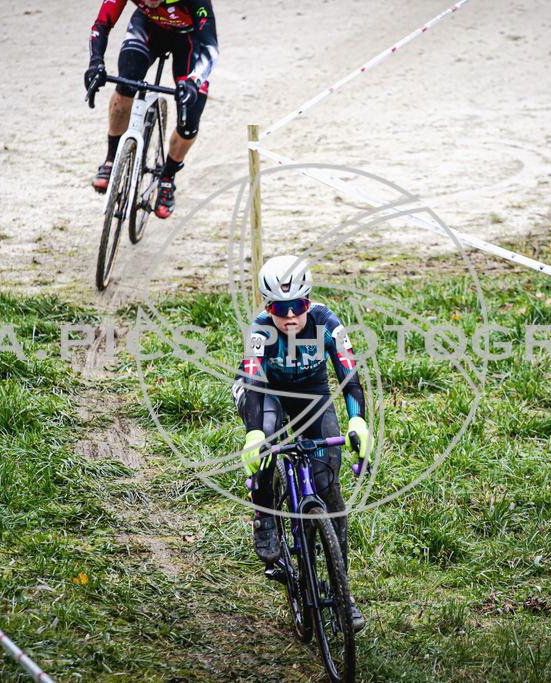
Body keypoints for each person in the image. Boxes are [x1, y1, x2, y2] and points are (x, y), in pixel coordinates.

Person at [232, 255, 374, 632]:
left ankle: (342, 595)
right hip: (263, 392)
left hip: (312, 394)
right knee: (267, 437)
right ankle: (265, 515)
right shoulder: (260, 331)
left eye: (298, 305)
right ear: (268, 307)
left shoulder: (327, 323)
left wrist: (358, 420)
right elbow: (254, 384)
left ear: (309, 300)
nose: (291, 316)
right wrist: (255, 434)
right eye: (281, 308)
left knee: (328, 487)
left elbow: (350, 376)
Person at [85, 0, 218, 219]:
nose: (149, 1)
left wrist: (193, 82)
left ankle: (167, 177)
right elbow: (101, 24)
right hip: (147, 28)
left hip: (190, 39)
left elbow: (211, 48)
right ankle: (111, 159)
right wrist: (95, 62)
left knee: (190, 116)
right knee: (125, 85)